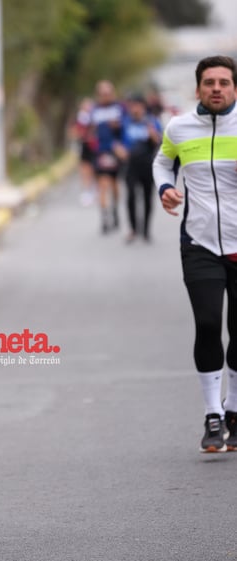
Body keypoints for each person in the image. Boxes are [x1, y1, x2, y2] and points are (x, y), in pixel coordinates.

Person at [153, 55, 237, 453]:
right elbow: (162, 162)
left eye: (223, 82)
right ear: (199, 87)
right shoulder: (180, 127)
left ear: (234, 87)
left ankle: (234, 409)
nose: (216, 88)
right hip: (199, 242)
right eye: (209, 82)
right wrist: (165, 188)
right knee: (207, 324)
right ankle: (212, 415)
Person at [120, 94, 162, 243]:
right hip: (130, 165)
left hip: (147, 164)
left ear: (143, 107)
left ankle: (146, 230)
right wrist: (119, 149)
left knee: (147, 198)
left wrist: (153, 135)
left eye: (138, 106)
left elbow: (160, 142)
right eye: (133, 106)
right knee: (131, 196)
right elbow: (117, 140)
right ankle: (133, 229)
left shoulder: (152, 122)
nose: (135, 109)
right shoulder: (125, 122)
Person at [90, 80, 126, 233]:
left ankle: (115, 210)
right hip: (101, 152)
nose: (106, 96)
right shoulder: (94, 110)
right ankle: (104, 218)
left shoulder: (119, 108)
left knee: (114, 185)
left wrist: (119, 130)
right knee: (103, 185)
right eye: (103, 93)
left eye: (108, 93)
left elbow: (127, 126)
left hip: (116, 151)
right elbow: (89, 130)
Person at [70, 97, 97, 206]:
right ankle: (86, 192)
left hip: (94, 147)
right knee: (84, 169)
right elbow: (73, 132)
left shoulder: (94, 117)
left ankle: (93, 188)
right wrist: (80, 134)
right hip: (83, 146)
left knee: (93, 169)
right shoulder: (78, 118)